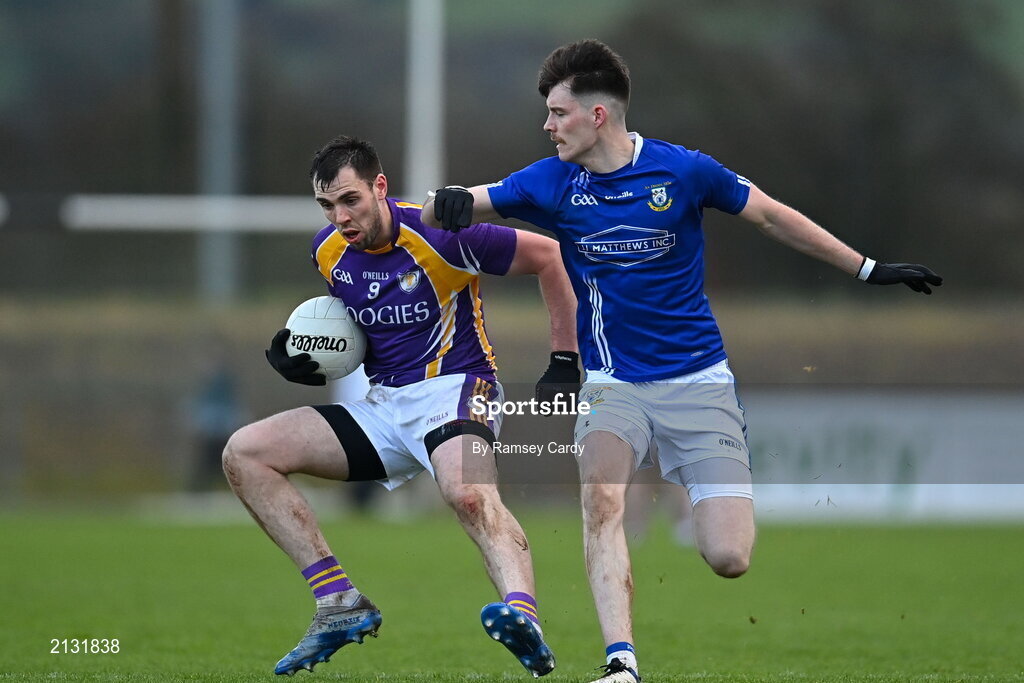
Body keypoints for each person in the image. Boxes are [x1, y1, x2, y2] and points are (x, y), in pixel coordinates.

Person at [422, 39, 942, 682]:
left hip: (700, 382)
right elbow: (450, 204)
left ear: (598, 116)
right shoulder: (551, 180)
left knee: (728, 556)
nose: (547, 126)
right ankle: (620, 663)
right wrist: (445, 201)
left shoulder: (685, 171)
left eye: (557, 113)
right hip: (613, 383)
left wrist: (867, 268)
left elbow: (771, 217)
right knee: (602, 502)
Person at [222, 135, 579, 677]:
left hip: (457, 389)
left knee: (467, 493)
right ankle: (338, 602)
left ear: (380, 187)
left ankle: (522, 616)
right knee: (245, 453)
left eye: (350, 200)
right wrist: (304, 357)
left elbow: (549, 256)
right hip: (383, 407)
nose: (340, 217)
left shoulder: (441, 234)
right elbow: (353, 333)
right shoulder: (328, 251)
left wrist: (565, 357)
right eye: (326, 205)